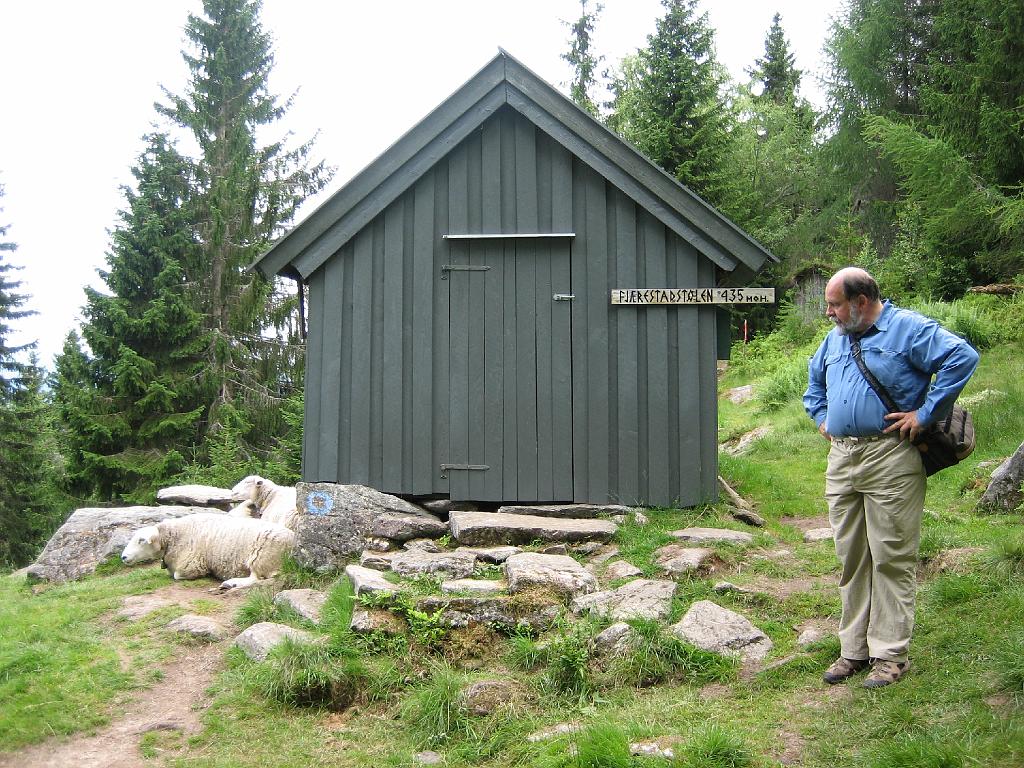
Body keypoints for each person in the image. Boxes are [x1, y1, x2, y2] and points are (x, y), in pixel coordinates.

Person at [803, 267, 979, 688]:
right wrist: (824, 419)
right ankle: (854, 651)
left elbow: (962, 357)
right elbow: (813, 388)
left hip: (891, 455)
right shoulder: (835, 339)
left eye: (834, 304)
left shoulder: (908, 329)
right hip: (842, 457)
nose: (828, 313)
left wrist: (927, 412)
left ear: (860, 301)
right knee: (851, 557)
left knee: (891, 557)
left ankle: (890, 655)